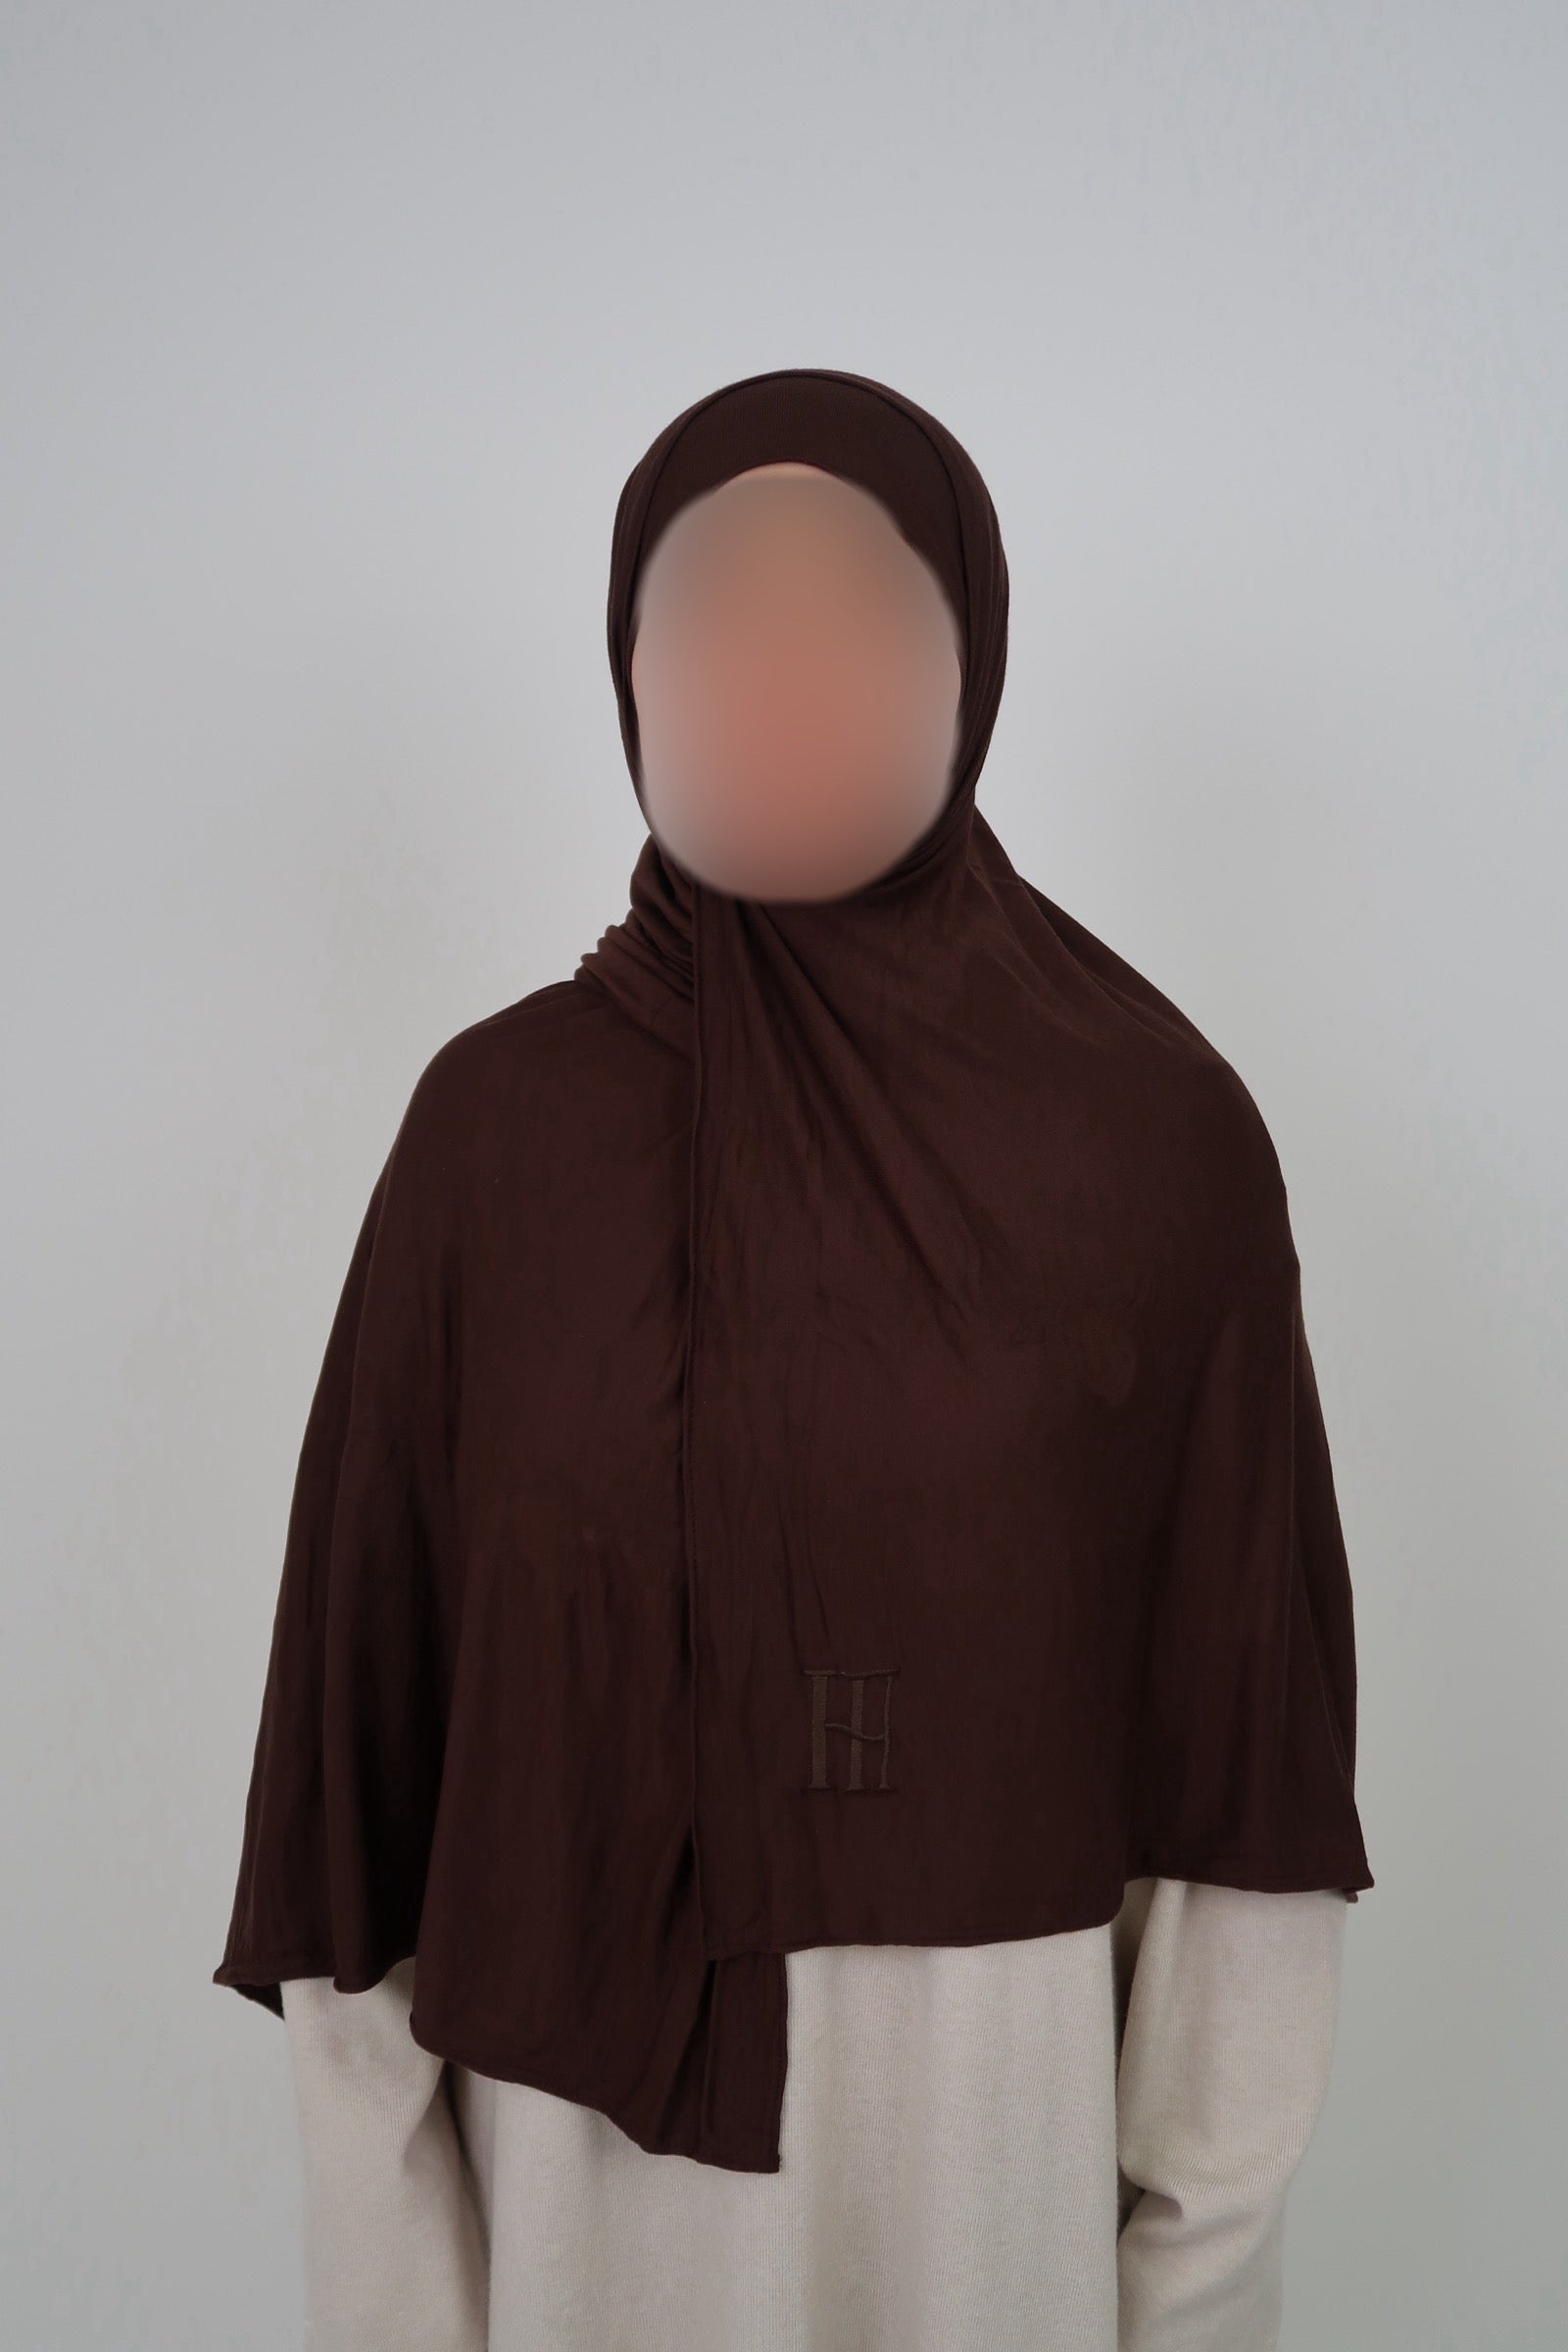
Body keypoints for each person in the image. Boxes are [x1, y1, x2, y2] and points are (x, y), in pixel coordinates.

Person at [219, 373, 1369, 2351]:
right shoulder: (497, 1142)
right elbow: (362, 1768)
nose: (777, 675)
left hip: (991, 2209)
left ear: (970, 666)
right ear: (625, 671)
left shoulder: (1150, 1144)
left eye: (855, 610)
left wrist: (1193, 2295)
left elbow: (1235, 1794)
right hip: (583, 2232)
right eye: (711, 611)